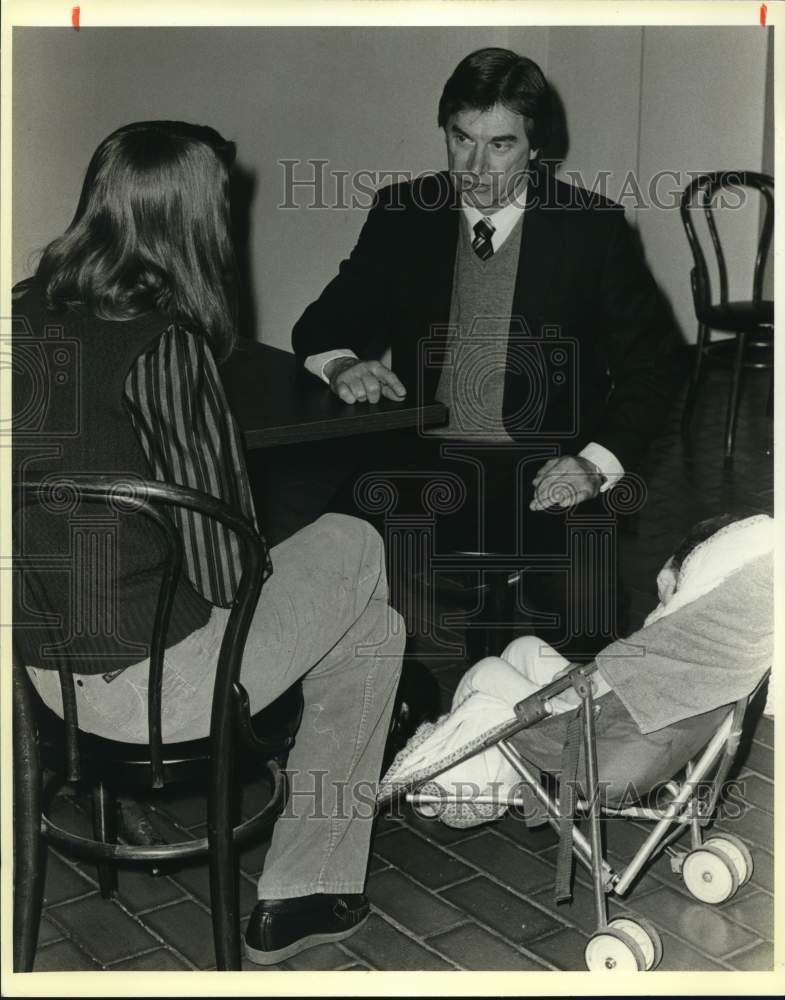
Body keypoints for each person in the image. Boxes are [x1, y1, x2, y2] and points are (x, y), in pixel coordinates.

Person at [12, 121, 404, 966]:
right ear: (189, 219)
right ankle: (296, 894)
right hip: (158, 690)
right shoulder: (167, 348)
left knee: (374, 630)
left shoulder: (24, 310)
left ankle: (309, 888)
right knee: (357, 544)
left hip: (41, 672)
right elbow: (229, 571)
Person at [292, 47, 676, 658]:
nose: (475, 167)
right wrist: (342, 364)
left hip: (548, 461)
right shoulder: (403, 216)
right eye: (461, 139)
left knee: (587, 611)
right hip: (425, 454)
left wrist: (594, 462)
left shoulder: (591, 230)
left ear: (535, 148)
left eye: (500, 144)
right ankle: (387, 713)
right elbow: (320, 326)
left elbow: (655, 369)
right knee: (321, 570)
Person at [380, 512, 774, 827]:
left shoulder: (673, 634)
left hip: (596, 736)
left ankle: (450, 776)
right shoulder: (731, 632)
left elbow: (604, 682)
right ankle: (488, 757)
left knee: (486, 672)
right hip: (630, 722)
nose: (658, 606)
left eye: (667, 587)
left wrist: (573, 685)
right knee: (524, 647)